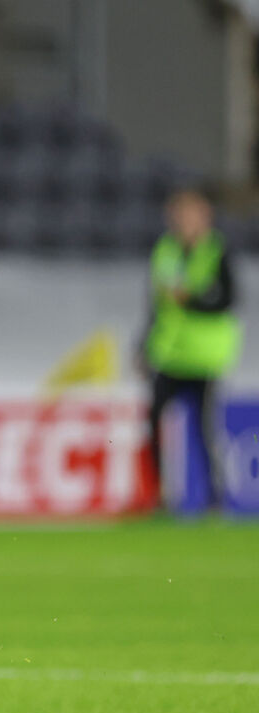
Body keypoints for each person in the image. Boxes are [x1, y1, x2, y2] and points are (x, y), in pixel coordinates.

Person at [142, 187, 242, 510]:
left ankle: (214, 497)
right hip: (169, 354)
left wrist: (193, 299)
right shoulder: (165, 250)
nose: (184, 220)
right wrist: (144, 343)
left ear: (205, 216)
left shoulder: (217, 251)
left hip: (204, 357)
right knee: (154, 421)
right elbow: (156, 305)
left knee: (204, 429)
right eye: (180, 213)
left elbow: (228, 299)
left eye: (191, 213)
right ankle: (160, 496)